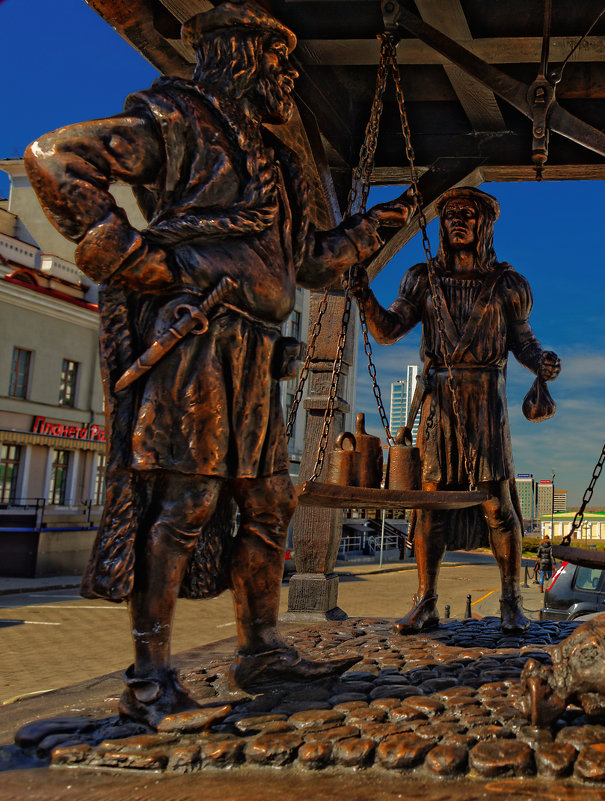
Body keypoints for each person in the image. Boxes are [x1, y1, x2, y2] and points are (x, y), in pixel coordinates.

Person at [23, 1, 415, 725]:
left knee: (268, 504)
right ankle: (148, 678)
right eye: (276, 62)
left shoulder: (270, 159)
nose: (287, 76)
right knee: (185, 503)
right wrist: (139, 262)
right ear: (240, 57)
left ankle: (260, 647)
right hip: (195, 343)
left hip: (254, 355)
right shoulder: (176, 124)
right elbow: (55, 159)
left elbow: (310, 266)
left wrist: (372, 230)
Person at [351, 186, 560, 634]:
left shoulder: (509, 285)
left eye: (469, 214)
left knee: (497, 504)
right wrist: (365, 299)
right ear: (441, 226)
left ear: (485, 225)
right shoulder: (421, 278)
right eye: (450, 215)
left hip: (486, 401)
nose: (459, 221)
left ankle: (510, 601)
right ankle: (425, 600)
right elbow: (389, 329)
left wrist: (541, 360)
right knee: (431, 506)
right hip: (439, 403)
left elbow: (522, 340)